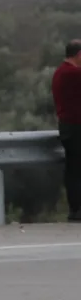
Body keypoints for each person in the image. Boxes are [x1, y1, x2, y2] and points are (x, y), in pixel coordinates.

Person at [51, 39, 81, 221]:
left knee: (74, 169)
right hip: (77, 127)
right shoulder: (73, 74)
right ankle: (77, 209)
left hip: (68, 127)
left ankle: (75, 209)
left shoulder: (59, 72)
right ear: (79, 55)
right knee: (77, 169)